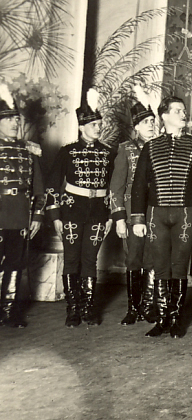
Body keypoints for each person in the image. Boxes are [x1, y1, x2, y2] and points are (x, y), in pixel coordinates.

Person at [130, 96, 192, 338]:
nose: (183, 114)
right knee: (160, 266)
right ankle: (162, 319)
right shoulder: (150, 147)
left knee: (179, 266)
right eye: (177, 111)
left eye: (183, 111)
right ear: (164, 116)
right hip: (156, 214)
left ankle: (176, 319)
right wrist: (138, 219)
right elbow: (139, 186)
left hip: (185, 214)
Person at [48, 88, 115, 327]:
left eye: (100, 124)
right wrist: (55, 216)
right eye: (94, 125)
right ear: (81, 127)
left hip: (98, 212)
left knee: (90, 259)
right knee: (71, 259)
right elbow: (53, 185)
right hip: (71, 212)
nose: (98, 128)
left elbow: (114, 187)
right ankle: (73, 309)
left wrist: (111, 216)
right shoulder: (67, 152)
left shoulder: (109, 153)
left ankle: (87, 308)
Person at [109, 86, 157, 326]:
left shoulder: (160, 148)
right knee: (133, 259)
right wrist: (119, 218)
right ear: (136, 127)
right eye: (145, 122)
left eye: (152, 121)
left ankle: (148, 306)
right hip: (131, 215)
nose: (150, 125)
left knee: (152, 259)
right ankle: (133, 308)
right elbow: (116, 187)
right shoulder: (126, 150)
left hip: (156, 214)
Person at [0, 84, 44, 328]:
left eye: (16, 119)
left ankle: (10, 311)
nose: (14, 124)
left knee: (15, 264)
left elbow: (39, 188)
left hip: (19, 215)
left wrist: (37, 216)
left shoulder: (29, 151)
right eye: (9, 119)